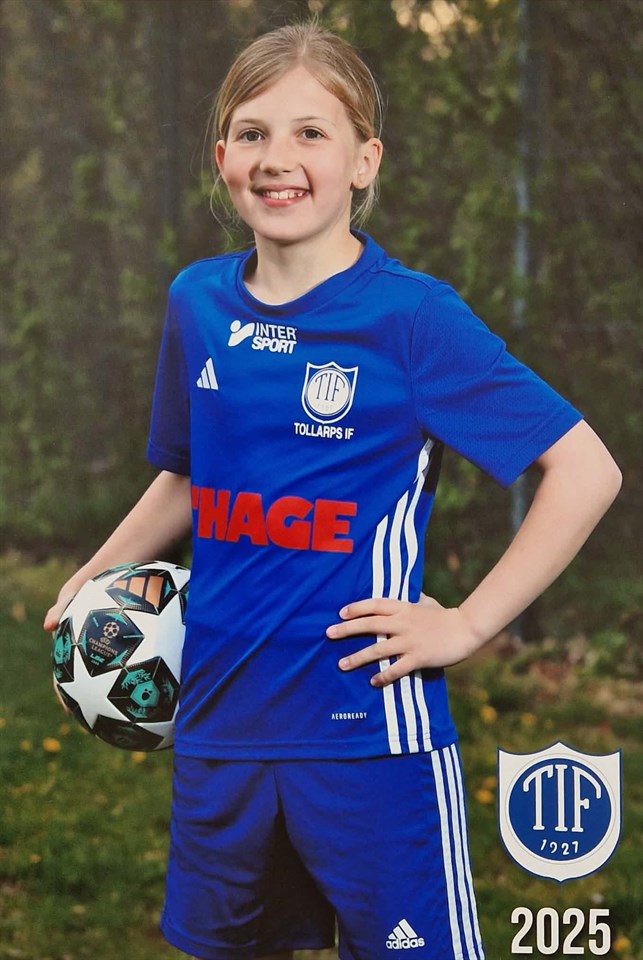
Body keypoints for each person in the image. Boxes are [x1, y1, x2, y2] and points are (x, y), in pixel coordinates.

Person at [44, 22, 622, 960]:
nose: (278, 159)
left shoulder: (412, 317)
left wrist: (467, 624)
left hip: (368, 737)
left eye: (311, 133)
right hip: (219, 729)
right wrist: (93, 576)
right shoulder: (197, 303)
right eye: (252, 132)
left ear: (363, 161)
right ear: (222, 158)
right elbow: (189, 477)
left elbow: (586, 469)